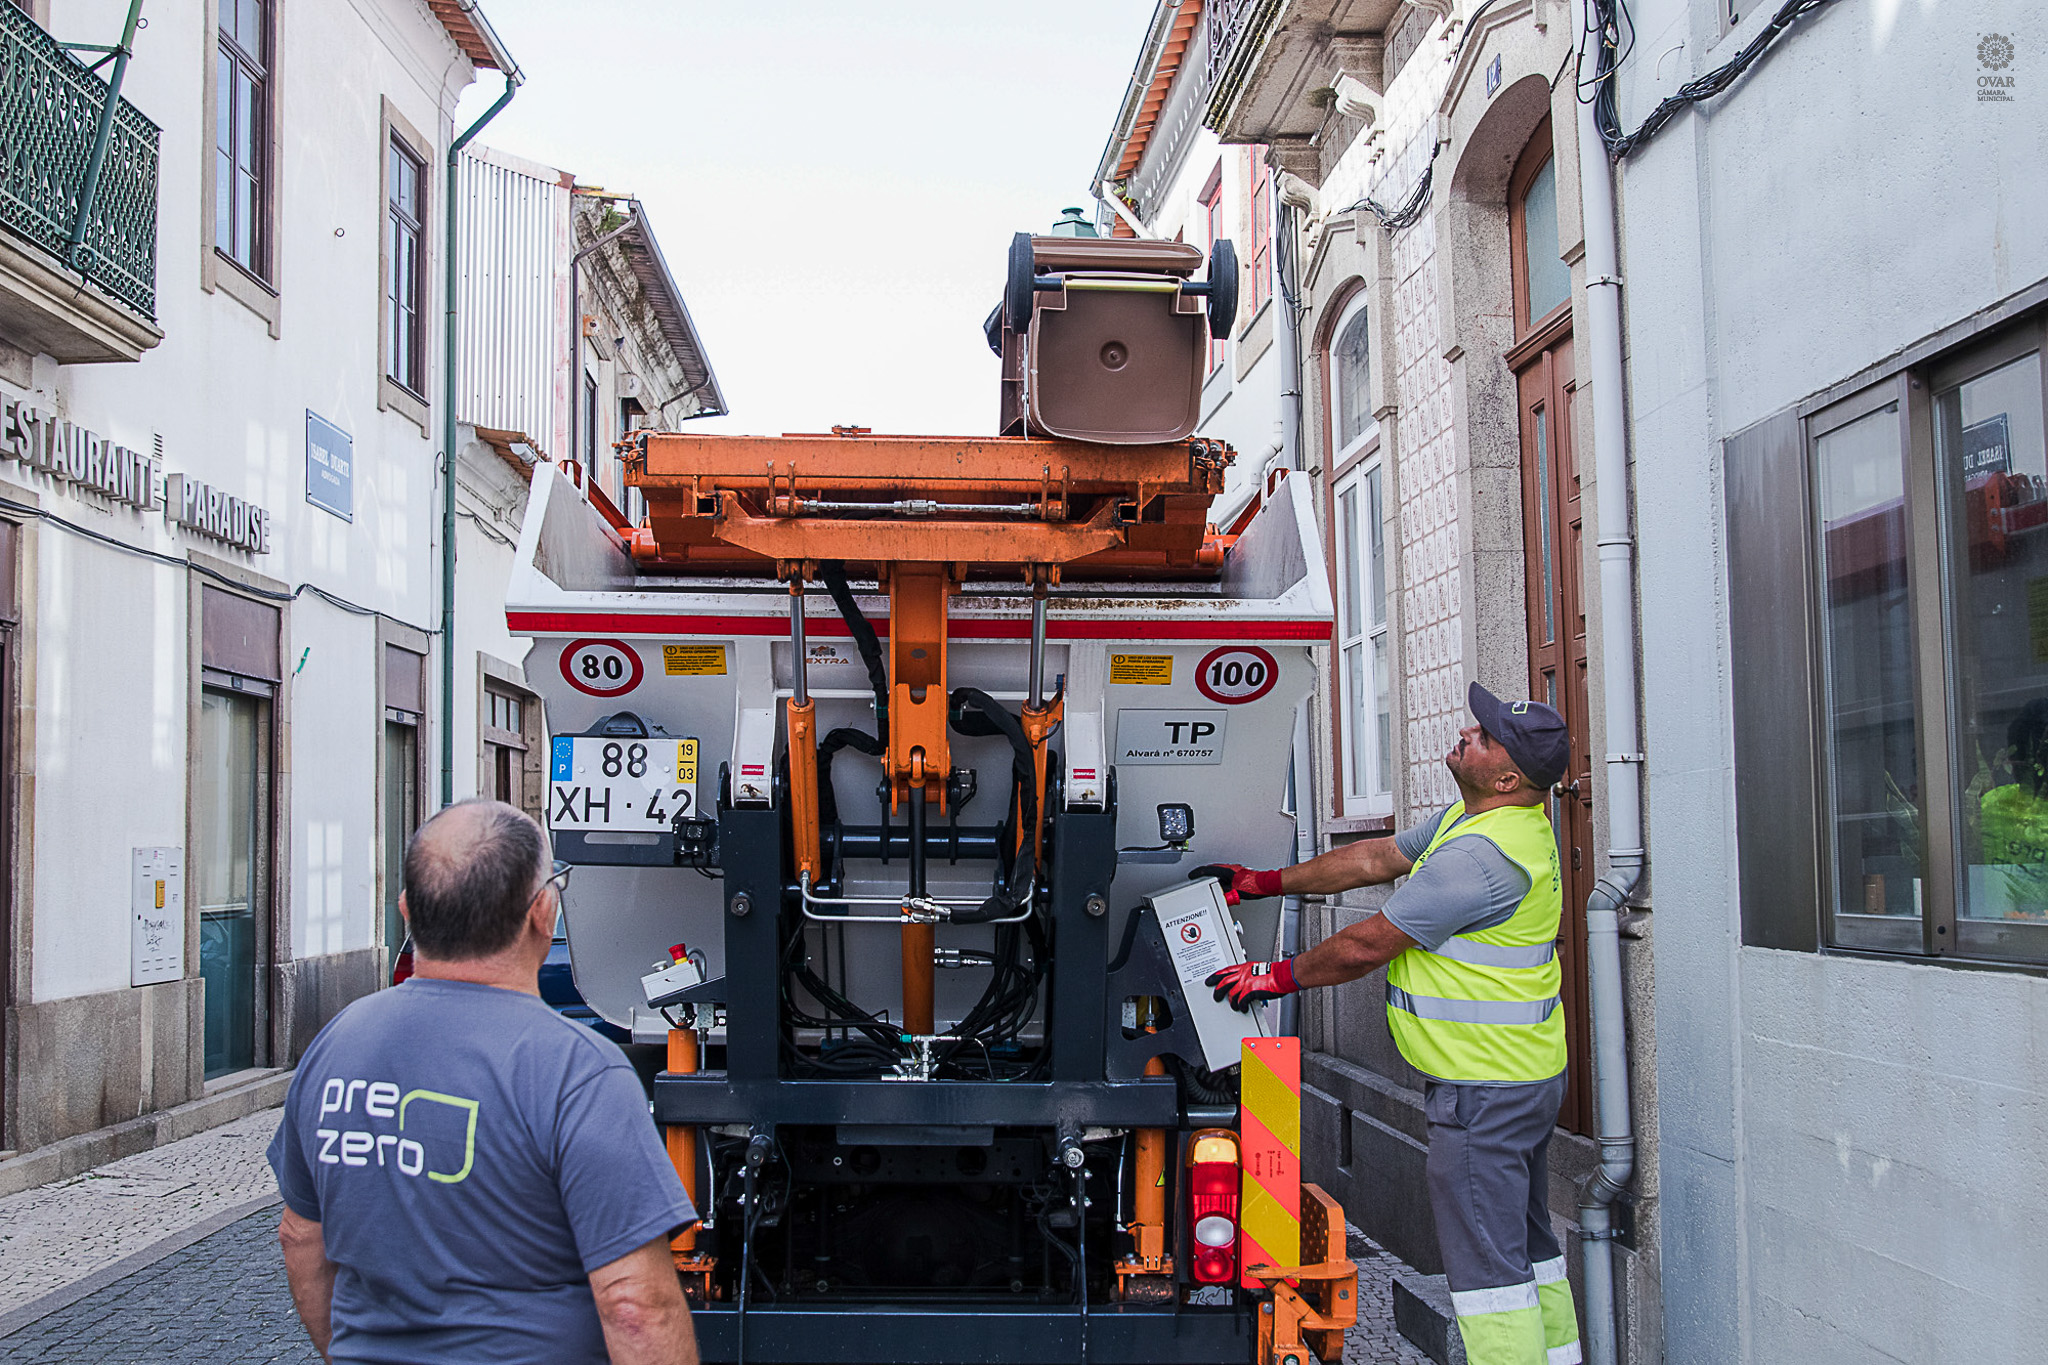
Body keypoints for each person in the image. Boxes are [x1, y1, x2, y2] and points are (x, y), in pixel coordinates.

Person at [1201, 683, 1580, 1365]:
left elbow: (1368, 943)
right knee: (1529, 1253)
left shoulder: (1479, 860)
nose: (1468, 731)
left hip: (1484, 1091)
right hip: (1523, 1076)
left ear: (1505, 776)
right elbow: (1374, 857)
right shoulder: (1486, 823)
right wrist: (1264, 882)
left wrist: (1273, 975)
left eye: (1486, 735)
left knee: (1490, 1281)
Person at [268, 799, 699, 1365]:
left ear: (407, 910)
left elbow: (301, 1238)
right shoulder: (578, 1072)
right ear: (543, 912)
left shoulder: (337, 1044)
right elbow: (634, 1307)